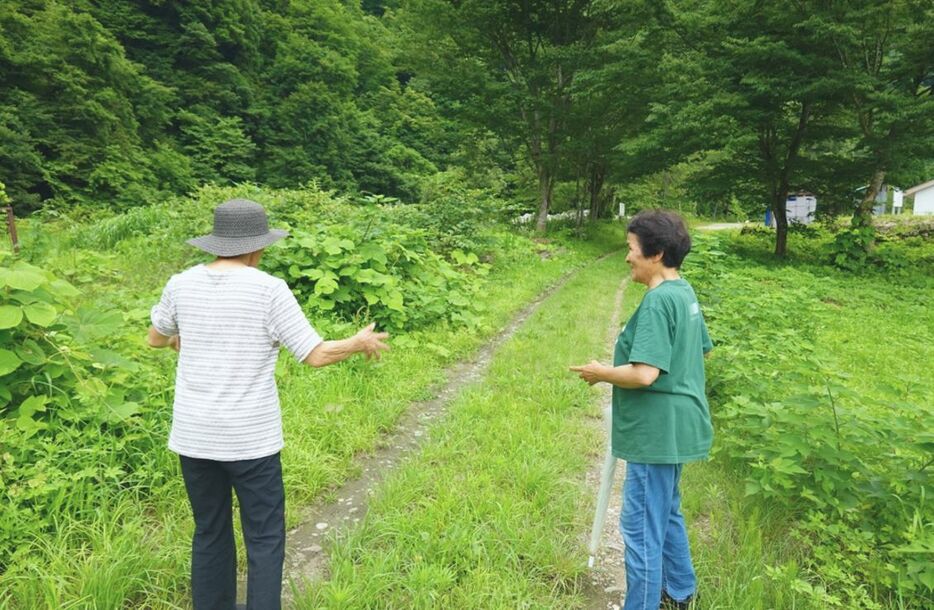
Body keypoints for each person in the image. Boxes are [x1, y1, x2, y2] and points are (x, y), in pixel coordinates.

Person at [147, 198, 389, 610]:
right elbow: (314, 354)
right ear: (258, 247)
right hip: (250, 440)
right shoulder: (268, 289)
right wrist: (358, 342)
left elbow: (156, 338)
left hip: (194, 436)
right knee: (263, 535)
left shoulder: (180, 283)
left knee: (209, 530)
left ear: (216, 243)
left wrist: (182, 341)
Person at [570, 209, 712, 610]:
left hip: (656, 433)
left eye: (631, 249)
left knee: (639, 528)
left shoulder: (657, 301)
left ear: (657, 253)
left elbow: (646, 373)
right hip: (679, 428)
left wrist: (603, 373)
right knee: (666, 513)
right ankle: (680, 593)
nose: (627, 257)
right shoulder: (684, 292)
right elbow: (700, 349)